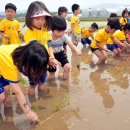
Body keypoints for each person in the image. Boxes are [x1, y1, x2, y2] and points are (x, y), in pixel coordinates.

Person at [0, 41, 49, 123]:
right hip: (4, 64)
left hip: (2, 69)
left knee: (7, 94)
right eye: (34, 70)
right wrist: (28, 111)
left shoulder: (22, 52)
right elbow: (18, 92)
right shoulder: (10, 63)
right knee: (1, 97)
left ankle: (8, 121)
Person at [24, 1, 59, 95]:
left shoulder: (44, 31)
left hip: (44, 64)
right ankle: (31, 102)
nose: (41, 22)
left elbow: (49, 46)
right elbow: (37, 52)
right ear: (30, 18)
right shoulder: (29, 33)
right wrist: (48, 60)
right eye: (37, 19)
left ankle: (42, 100)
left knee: (42, 82)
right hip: (34, 65)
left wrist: (52, 57)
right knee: (33, 85)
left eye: (43, 19)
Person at [47, 16, 82, 80]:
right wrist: (51, 58)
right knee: (52, 74)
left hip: (60, 53)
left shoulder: (63, 36)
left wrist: (76, 49)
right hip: (51, 55)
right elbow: (48, 48)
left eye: (63, 31)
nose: (61, 34)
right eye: (58, 31)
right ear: (52, 28)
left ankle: (65, 84)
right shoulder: (47, 35)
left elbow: (70, 44)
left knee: (67, 67)